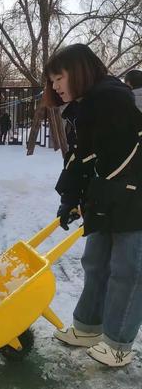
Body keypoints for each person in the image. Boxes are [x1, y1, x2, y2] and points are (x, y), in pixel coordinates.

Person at [45, 43, 142, 367]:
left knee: (128, 269)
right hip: (110, 193)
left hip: (134, 196)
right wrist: (70, 198)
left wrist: (95, 197)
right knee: (96, 260)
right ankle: (88, 327)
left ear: (79, 71)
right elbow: (81, 158)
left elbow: (119, 159)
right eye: (52, 80)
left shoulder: (112, 100)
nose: (55, 86)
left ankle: (117, 344)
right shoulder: (84, 106)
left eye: (59, 77)